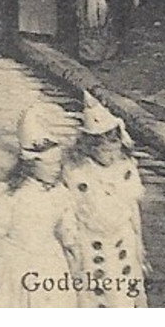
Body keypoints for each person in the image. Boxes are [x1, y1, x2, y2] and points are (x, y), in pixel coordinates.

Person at [0, 103, 80, 308]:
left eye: (59, 164)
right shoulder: (11, 195)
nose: (56, 170)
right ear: (30, 165)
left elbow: (67, 225)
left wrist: (73, 247)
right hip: (12, 260)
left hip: (48, 260)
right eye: (50, 165)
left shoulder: (61, 194)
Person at [64, 92, 148, 308]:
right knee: (95, 296)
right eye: (103, 151)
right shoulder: (77, 171)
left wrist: (138, 242)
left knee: (123, 295)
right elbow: (69, 210)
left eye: (113, 150)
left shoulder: (125, 168)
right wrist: (72, 247)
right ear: (89, 147)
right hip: (91, 243)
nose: (109, 156)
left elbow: (132, 206)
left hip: (121, 239)